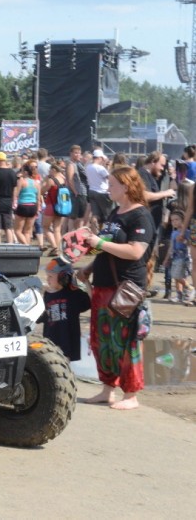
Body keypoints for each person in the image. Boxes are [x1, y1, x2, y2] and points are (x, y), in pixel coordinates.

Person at [77, 166, 155, 410]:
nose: (107, 188)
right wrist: (89, 266)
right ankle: (107, 389)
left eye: (111, 184)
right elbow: (106, 248)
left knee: (126, 342)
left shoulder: (140, 216)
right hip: (103, 285)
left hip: (126, 287)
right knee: (102, 341)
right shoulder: (115, 212)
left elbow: (135, 251)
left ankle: (131, 394)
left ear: (126, 187)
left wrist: (99, 242)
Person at [41, 258, 90, 362]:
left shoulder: (74, 295)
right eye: (47, 276)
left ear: (63, 277)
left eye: (50, 276)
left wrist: (83, 282)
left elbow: (92, 300)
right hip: (50, 339)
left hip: (67, 340)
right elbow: (44, 316)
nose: (47, 279)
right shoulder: (47, 295)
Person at [163, 210, 193, 303]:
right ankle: (179, 295)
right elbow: (171, 247)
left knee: (177, 275)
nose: (174, 222)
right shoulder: (173, 233)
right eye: (172, 220)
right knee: (176, 277)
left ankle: (189, 288)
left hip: (184, 257)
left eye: (177, 219)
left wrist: (184, 240)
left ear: (183, 220)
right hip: (175, 257)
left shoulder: (187, 232)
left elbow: (191, 244)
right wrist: (166, 259)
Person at [0, 151, 17, 244]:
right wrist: (14, 201)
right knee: (8, 227)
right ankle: (10, 247)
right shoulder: (12, 173)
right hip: (8, 201)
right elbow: (15, 189)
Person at [13, 160, 42, 245]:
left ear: (25, 172)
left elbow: (16, 194)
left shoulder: (21, 181)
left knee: (17, 231)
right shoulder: (37, 183)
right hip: (33, 206)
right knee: (27, 231)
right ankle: (28, 251)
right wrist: (37, 210)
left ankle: (27, 247)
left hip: (23, 205)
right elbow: (38, 198)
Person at [42, 163, 68, 256]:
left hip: (51, 205)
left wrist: (44, 181)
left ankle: (54, 247)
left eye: (50, 170)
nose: (49, 172)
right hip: (61, 206)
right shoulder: (64, 179)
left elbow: (42, 191)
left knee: (45, 227)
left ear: (54, 170)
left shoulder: (51, 180)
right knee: (57, 229)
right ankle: (59, 248)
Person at [65, 144, 89, 231]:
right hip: (77, 193)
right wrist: (75, 191)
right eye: (75, 153)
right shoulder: (71, 164)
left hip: (81, 192)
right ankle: (72, 234)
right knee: (74, 216)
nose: (78, 155)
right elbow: (70, 179)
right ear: (71, 153)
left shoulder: (78, 164)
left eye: (79, 153)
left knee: (80, 216)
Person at [86, 149, 112, 228]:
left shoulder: (88, 167)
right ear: (100, 158)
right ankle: (108, 232)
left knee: (95, 214)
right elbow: (110, 178)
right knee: (108, 215)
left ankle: (94, 232)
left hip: (92, 191)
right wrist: (108, 167)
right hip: (102, 192)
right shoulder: (100, 168)